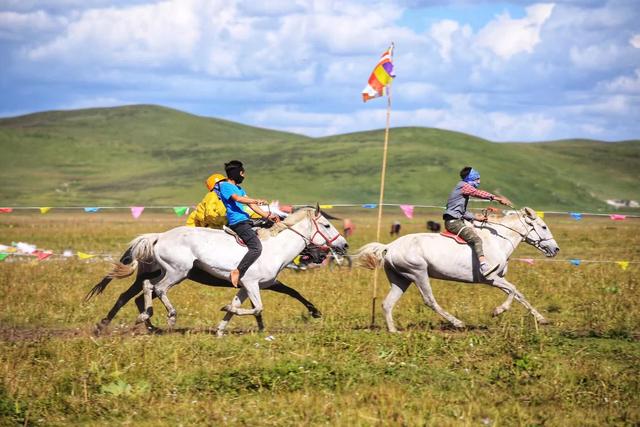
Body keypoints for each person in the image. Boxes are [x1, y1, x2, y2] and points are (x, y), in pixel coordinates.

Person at [218, 160, 280, 287]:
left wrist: (268, 216)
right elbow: (238, 199)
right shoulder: (225, 186)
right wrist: (256, 200)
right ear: (236, 173)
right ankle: (238, 271)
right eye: (242, 173)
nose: (243, 176)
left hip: (246, 220)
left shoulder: (239, 188)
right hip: (238, 223)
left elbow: (251, 204)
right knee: (256, 247)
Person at [443, 166, 512, 276]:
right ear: (470, 178)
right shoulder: (464, 186)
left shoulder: (462, 188)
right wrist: (498, 199)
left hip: (456, 220)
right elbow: (478, 193)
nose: (479, 181)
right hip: (454, 222)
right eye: (477, 179)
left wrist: (476, 218)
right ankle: (484, 266)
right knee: (476, 239)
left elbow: (463, 212)